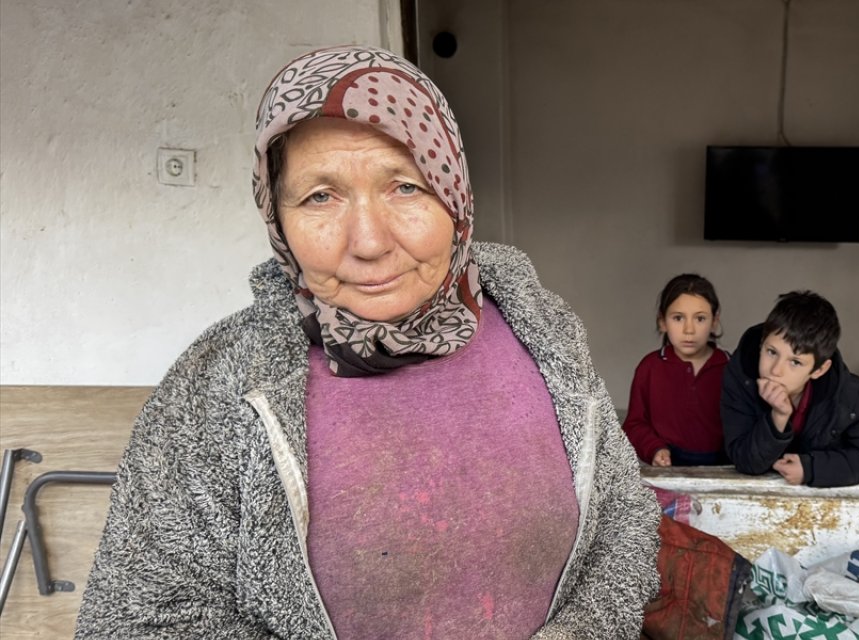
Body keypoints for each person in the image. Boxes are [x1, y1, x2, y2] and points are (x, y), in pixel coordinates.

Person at [75, 45, 659, 639]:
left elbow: (625, 519)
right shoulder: (217, 386)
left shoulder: (545, 330)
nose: (370, 241)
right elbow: (138, 619)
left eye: (406, 187)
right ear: (276, 216)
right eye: (320, 197)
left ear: (454, 194)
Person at [721, 291, 859, 487]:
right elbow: (745, 461)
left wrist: (812, 468)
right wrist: (778, 417)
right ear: (762, 344)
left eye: (795, 362)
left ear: (819, 370)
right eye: (771, 352)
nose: (775, 370)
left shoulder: (851, 395)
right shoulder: (741, 378)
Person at [623, 274, 730, 466]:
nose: (689, 329)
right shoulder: (650, 368)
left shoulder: (731, 367)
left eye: (700, 318)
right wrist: (655, 448)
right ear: (662, 322)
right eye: (678, 318)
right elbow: (634, 424)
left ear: (714, 322)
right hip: (668, 469)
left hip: (726, 471)